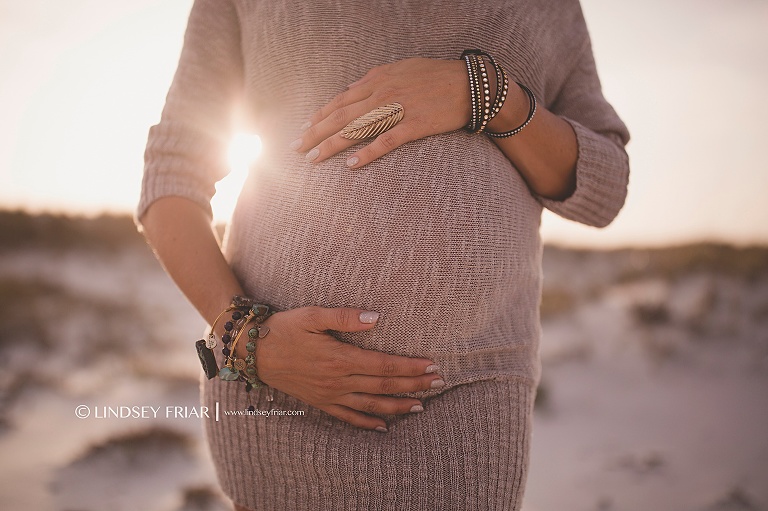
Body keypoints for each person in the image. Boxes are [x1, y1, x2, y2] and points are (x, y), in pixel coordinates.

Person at [137, 0, 630, 509]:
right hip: (275, 382)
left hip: (467, 389)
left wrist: (484, 91)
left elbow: (606, 183)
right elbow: (171, 177)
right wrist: (246, 338)